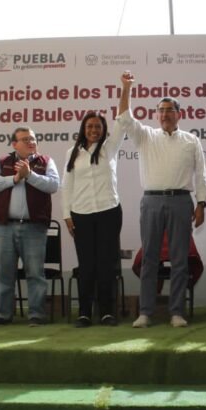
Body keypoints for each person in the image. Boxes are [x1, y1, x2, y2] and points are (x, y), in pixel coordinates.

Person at [116, 71, 206, 328]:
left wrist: (201, 204)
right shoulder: (146, 136)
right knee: (150, 258)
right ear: (156, 115)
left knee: (180, 260)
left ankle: (176, 312)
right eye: (161, 110)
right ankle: (145, 312)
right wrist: (126, 88)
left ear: (179, 114)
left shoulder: (191, 140)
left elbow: (201, 174)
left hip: (181, 202)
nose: (165, 114)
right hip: (152, 202)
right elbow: (124, 117)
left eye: (170, 110)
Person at [0, 127, 59, 326]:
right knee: (3, 274)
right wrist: (15, 178)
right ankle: (3, 315)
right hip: (4, 226)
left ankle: (36, 315)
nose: (31, 142)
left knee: (35, 273)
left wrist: (30, 175)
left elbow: (53, 185)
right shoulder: (3, 162)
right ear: (14, 144)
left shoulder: (45, 161)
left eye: (33, 139)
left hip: (34, 227)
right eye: (25, 139)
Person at [62, 111, 125, 328]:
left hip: (109, 212)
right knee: (86, 266)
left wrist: (125, 93)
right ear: (83, 129)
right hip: (81, 214)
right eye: (89, 126)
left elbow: (122, 121)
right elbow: (67, 186)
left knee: (106, 265)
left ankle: (107, 312)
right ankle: (84, 313)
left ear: (104, 129)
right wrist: (67, 215)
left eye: (98, 126)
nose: (94, 130)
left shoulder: (110, 147)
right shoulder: (72, 153)